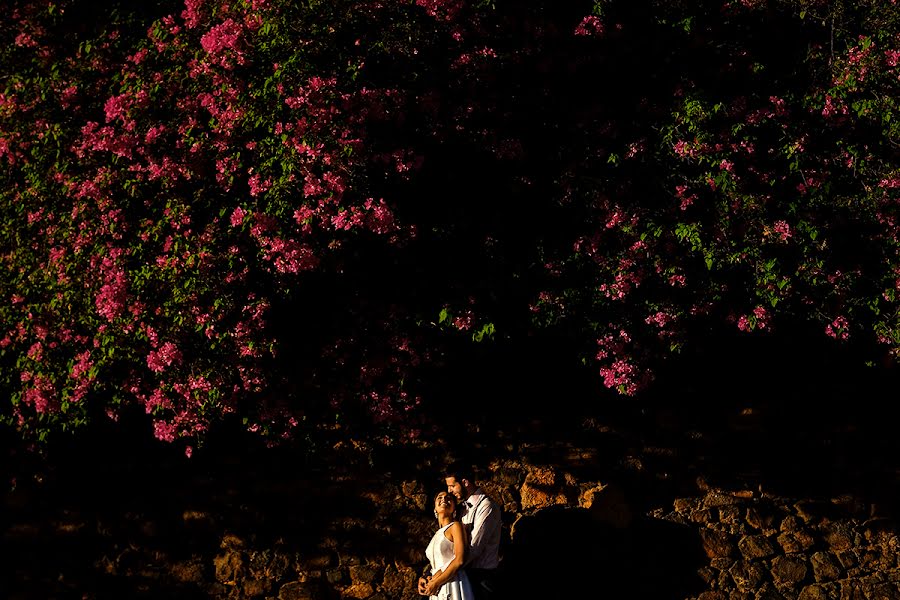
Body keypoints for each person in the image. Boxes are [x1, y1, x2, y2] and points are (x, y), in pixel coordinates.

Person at [419, 463, 502, 600]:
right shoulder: (460, 509)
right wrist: (428, 574)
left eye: (452, 486)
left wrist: (437, 576)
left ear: (465, 482)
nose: (449, 491)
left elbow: (473, 550)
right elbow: (446, 550)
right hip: (457, 575)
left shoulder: (487, 507)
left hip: (481, 578)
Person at [419, 490, 475, 599]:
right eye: (440, 497)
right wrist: (425, 578)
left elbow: (460, 560)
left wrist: (436, 582)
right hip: (436, 587)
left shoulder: (456, 526)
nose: (444, 499)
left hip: (453, 582)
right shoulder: (436, 535)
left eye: (448, 498)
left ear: (454, 508)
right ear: (434, 507)